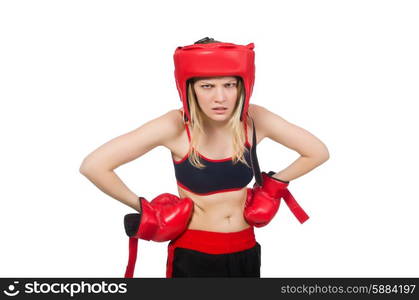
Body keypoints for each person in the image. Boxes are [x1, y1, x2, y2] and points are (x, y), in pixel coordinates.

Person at [79, 37, 329, 278]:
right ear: (190, 88)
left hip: (246, 250)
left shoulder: (254, 120)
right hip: (196, 255)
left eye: (229, 85)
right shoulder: (175, 126)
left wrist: (273, 187)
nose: (220, 98)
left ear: (242, 85)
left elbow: (317, 152)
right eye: (207, 86)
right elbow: (94, 166)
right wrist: (146, 209)